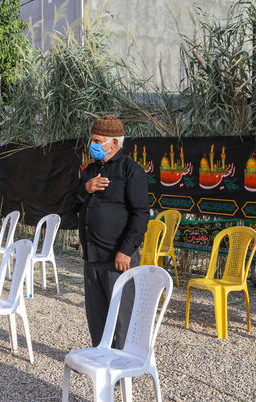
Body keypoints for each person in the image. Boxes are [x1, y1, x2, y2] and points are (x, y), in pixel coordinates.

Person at [74, 114, 150, 348]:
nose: (92, 145)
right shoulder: (90, 170)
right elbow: (73, 203)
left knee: (121, 316)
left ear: (114, 143)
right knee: (96, 314)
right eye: (92, 140)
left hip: (117, 258)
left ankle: (123, 368)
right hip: (92, 255)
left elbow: (141, 214)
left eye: (97, 141)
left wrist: (126, 250)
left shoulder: (131, 171)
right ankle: (101, 360)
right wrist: (85, 189)